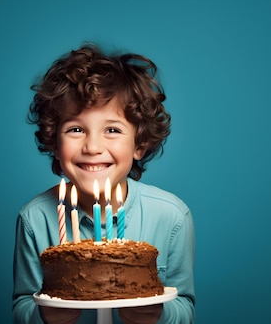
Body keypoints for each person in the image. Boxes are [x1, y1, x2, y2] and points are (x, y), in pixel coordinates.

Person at [12, 44, 195, 324]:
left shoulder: (171, 216)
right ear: (55, 143)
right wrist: (44, 315)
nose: (93, 146)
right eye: (76, 129)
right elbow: (22, 305)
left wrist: (160, 315)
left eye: (112, 130)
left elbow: (185, 306)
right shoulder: (34, 219)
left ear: (140, 143)